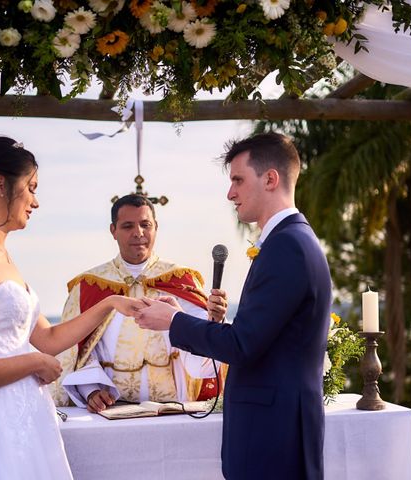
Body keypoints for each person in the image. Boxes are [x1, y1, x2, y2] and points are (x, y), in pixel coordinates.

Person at [0, 137, 141, 480]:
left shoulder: (1, 255)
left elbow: (49, 337)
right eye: (31, 188)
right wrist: (34, 363)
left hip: (22, 420)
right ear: (0, 184)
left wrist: (111, 303)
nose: (36, 202)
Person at [135, 133, 332, 479]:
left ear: (270, 179)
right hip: (274, 433)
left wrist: (174, 321)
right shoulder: (288, 241)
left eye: (238, 180)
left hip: (274, 439)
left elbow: (243, 345)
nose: (230, 194)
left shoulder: (288, 246)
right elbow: (258, 338)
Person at [51, 194, 224, 412]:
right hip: (110, 411)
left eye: (145, 224)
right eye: (127, 226)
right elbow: (78, 351)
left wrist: (214, 321)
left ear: (156, 227)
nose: (138, 233)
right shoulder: (90, 286)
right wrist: (91, 390)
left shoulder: (181, 281)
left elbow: (202, 356)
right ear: (113, 230)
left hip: (173, 409)